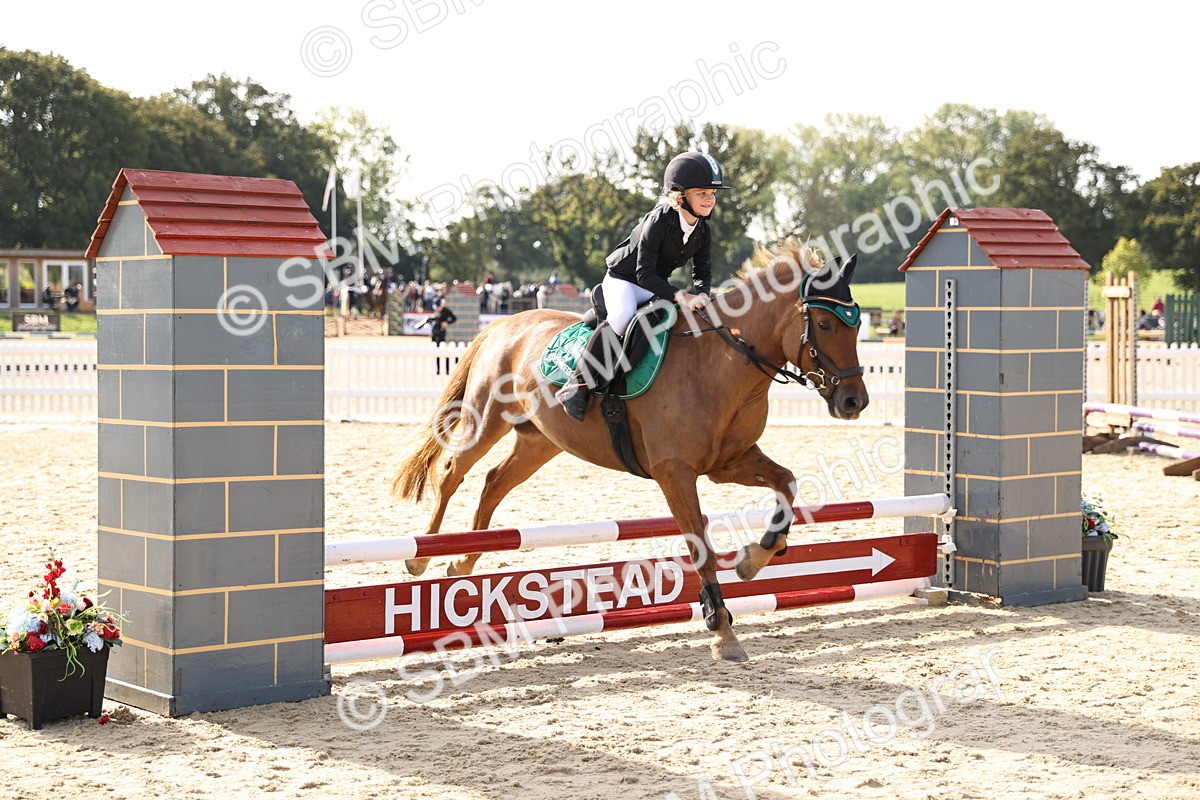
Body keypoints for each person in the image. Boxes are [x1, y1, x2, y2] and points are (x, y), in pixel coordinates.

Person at [555, 151, 728, 421]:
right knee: (623, 318)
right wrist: (682, 296)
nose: (709, 199)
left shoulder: (703, 230)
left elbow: (702, 270)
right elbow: (644, 273)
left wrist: (703, 293)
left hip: (653, 285)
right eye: (702, 193)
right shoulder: (658, 221)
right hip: (625, 279)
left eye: (712, 194)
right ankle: (576, 384)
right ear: (680, 197)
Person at [429, 297, 457, 375]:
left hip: (442, 333)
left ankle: (447, 369)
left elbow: (454, 318)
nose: (438, 308)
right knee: (437, 352)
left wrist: (447, 322)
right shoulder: (436, 311)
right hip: (435, 332)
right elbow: (435, 321)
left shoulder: (446, 311)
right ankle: (438, 369)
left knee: (445, 351)